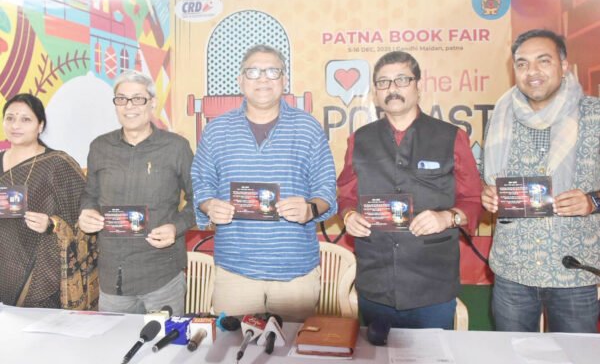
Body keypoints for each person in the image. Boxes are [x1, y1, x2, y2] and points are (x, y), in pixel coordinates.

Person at [337, 51, 482, 329]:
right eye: (383, 82)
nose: (392, 88)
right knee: (375, 351)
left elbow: (474, 199)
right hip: (375, 282)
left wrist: (447, 217)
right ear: (375, 93)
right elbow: (345, 195)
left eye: (402, 80)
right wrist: (348, 216)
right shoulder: (360, 139)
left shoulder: (451, 136)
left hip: (432, 285)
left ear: (418, 86)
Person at [191, 44, 337, 321]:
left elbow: (326, 189)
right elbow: (201, 182)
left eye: (272, 71)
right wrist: (209, 205)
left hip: (295, 271)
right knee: (232, 343)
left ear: (284, 80)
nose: (263, 79)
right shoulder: (216, 129)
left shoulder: (308, 127)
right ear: (240, 80)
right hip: (235, 270)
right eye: (253, 71)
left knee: (294, 344)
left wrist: (310, 209)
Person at [482, 29, 600, 333]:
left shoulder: (594, 115)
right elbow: (488, 180)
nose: (531, 71)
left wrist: (592, 201)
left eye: (543, 61)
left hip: (574, 271)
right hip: (513, 270)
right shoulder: (500, 117)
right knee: (512, 353)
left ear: (563, 65)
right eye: (522, 64)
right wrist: (488, 195)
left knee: (575, 355)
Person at [78, 70, 195, 315]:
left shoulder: (176, 147)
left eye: (138, 99)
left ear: (152, 103)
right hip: (113, 278)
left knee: (166, 341)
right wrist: (87, 212)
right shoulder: (100, 147)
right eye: (121, 99)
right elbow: (90, 195)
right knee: (113, 340)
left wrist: (176, 227)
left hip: (162, 275)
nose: (129, 106)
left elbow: (199, 200)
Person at [0, 93, 98, 309]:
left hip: (42, 271)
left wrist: (52, 224)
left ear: (40, 125)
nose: (16, 125)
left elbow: (86, 215)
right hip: (4, 265)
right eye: (10, 118)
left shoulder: (57, 164)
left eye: (25, 119)